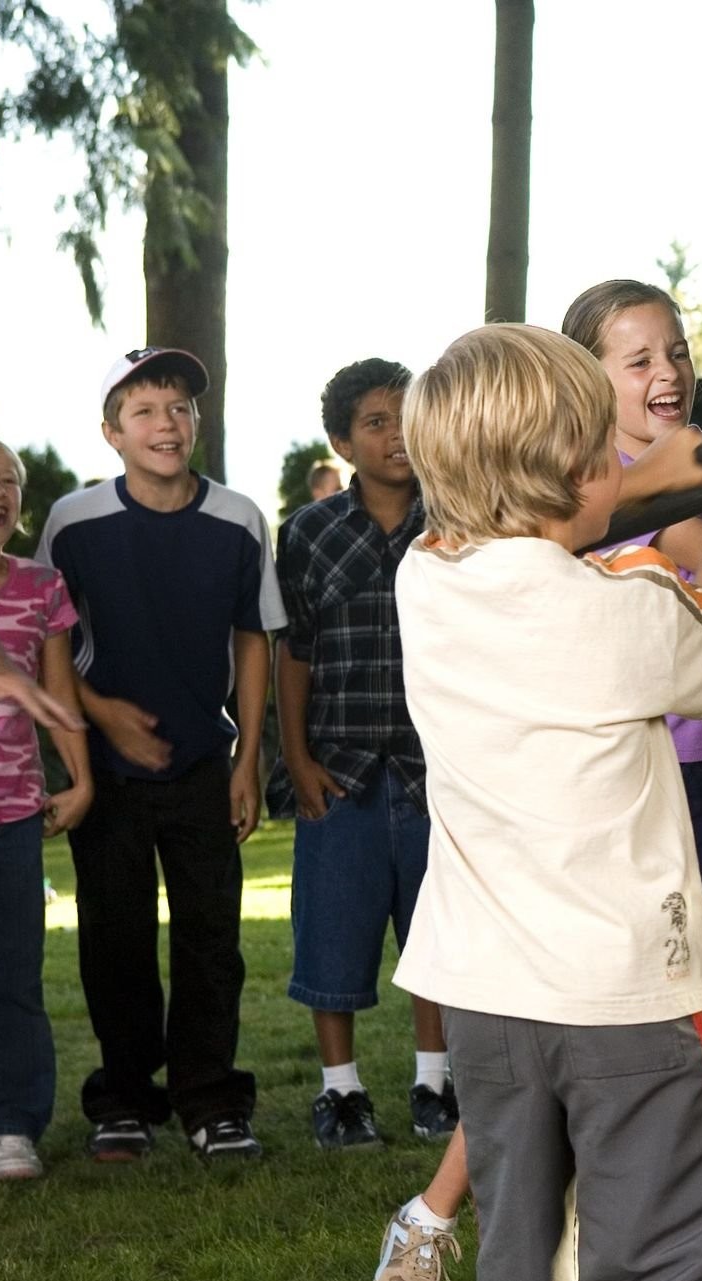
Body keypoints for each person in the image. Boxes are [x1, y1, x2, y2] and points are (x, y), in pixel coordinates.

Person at [375, 282, 702, 1281]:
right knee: (659, 1265)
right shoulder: (616, 611)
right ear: (577, 465)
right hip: (623, 993)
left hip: (489, 998)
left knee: (524, 1262)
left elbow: (574, 512)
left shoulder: (424, 577)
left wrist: (693, 465)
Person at [37, 346, 285, 1162]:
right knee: (116, 939)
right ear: (112, 433)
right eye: (143, 410)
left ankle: (212, 1101)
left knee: (212, 939)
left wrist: (248, 757)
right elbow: (46, 641)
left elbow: (253, 637)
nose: (166, 424)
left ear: (197, 421)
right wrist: (102, 713)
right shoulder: (73, 522)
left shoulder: (239, 518)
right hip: (107, 771)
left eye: (179, 407)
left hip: (203, 761)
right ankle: (124, 1099)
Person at [268, 358, 454, 1151]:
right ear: (343, 443)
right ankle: (340, 1090)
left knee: (437, 930)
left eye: (406, 418)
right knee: (333, 933)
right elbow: (294, 652)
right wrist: (296, 757)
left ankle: (435, 1081)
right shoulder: (308, 533)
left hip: (434, 768)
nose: (396, 435)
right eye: (376, 423)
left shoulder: (456, 518)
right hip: (337, 770)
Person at [0, 435, 91, 1181]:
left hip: (12, 815)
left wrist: (81, 778)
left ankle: (11, 1125)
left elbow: (59, 697)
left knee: (13, 975)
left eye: (9, 481)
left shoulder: (42, 586)